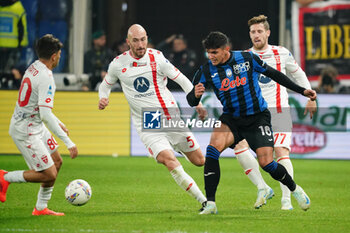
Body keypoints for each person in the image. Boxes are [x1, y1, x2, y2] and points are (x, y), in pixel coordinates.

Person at [187, 31, 316, 214]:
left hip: (257, 118)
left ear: (226, 50)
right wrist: (195, 95)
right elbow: (191, 100)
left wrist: (303, 91)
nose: (211, 56)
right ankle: (211, 203)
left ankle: (295, 189)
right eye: (208, 52)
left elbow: (275, 75)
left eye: (214, 52)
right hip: (231, 119)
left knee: (267, 164)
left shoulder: (247, 59)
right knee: (212, 150)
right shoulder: (206, 70)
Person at [98, 24, 207, 210]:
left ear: (147, 38)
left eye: (143, 40)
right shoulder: (118, 64)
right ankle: (203, 202)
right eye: (135, 40)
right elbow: (105, 84)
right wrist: (103, 97)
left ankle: (176, 145)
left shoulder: (157, 58)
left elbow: (181, 78)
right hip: (147, 123)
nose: (140, 45)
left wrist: (197, 102)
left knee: (200, 161)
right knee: (169, 160)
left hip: (170, 117)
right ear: (128, 42)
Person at [231, 15, 318, 210]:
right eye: (253, 32)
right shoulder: (243, 57)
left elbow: (298, 74)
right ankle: (263, 188)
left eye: (259, 31)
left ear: (268, 33)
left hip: (279, 112)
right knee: (238, 146)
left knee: (280, 152)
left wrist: (311, 97)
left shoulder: (281, 53)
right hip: (253, 115)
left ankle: (286, 200)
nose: (256, 35)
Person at [0, 34, 78, 216]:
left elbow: (41, 109)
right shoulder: (46, 77)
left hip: (33, 124)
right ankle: (5, 177)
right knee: (48, 173)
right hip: (26, 130)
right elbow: (45, 114)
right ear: (54, 56)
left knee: (57, 162)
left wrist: (58, 122)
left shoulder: (34, 67)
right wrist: (69, 142)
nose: (59, 57)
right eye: (59, 54)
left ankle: (41, 208)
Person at [0, 0, 28, 89]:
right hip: (13, 45)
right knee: (11, 68)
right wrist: (22, 43)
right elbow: (22, 28)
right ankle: (14, 85)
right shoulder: (18, 8)